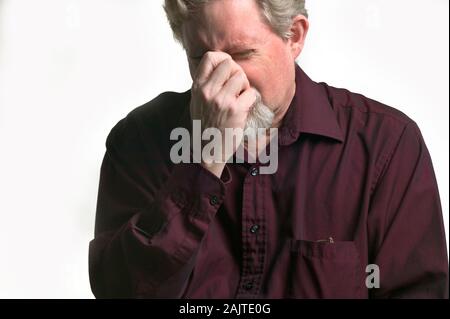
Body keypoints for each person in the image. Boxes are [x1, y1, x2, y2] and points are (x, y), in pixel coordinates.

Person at [89, 0, 448, 298]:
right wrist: (204, 160)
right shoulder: (138, 141)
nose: (220, 80)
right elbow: (121, 292)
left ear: (294, 36)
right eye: (200, 57)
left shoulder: (386, 146)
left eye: (242, 53)